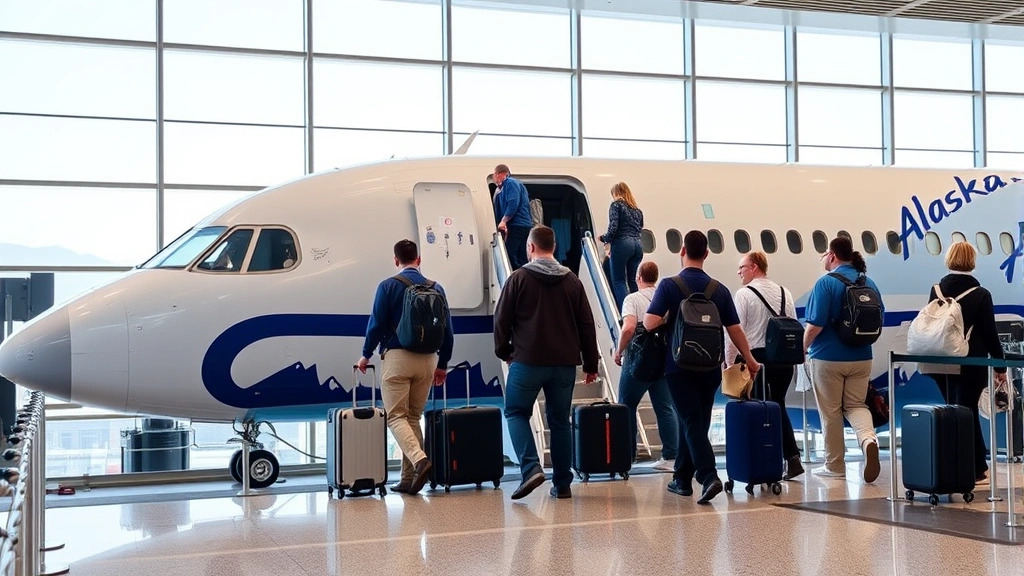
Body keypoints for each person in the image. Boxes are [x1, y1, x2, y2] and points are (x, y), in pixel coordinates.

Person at [643, 230, 761, 504]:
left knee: (691, 421)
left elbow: (649, 322)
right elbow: (735, 330)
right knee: (696, 421)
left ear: (682, 251)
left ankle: (708, 477)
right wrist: (751, 360)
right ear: (706, 254)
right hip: (710, 366)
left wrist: (668, 316)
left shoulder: (670, 286)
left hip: (678, 366)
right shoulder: (718, 290)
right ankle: (681, 480)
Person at [494, 226, 600, 501]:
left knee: (516, 412)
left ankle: (530, 468)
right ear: (553, 247)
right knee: (560, 422)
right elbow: (587, 326)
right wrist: (590, 364)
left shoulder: (518, 279)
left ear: (530, 247)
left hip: (527, 361)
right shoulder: (572, 281)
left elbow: (501, 321)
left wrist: (504, 352)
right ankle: (562, 484)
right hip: (563, 364)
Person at [357, 239, 455, 496]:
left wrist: (365, 355)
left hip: (398, 358)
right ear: (419, 260)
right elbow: (448, 331)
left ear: (396, 260)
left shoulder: (388, 286)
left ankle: (419, 460)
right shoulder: (437, 288)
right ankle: (408, 479)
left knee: (396, 417)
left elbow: (376, 325)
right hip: (428, 360)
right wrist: (443, 364)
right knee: (413, 417)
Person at [922, 241, 1006, 485]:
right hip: (970, 362)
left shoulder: (936, 290)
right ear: (972, 261)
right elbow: (990, 334)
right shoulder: (980, 294)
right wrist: (1000, 366)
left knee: (953, 410)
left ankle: (958, 464)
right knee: (967, 412)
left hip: (939, 361)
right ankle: (977, 468)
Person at [802, 236, 883, 483]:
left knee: (831, 412)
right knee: (857, 405)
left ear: (832, 255)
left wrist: (802, 349)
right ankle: (868, 439)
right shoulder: (868, 282)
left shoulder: (825, 284)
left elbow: (815, 325)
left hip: (827, 358)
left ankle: (835, 465)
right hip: (862, 357)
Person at [725, 251, 804, 480]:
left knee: (757, 410)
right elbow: (791, 322)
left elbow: (734, 332)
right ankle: (791, 457)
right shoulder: (784, 292)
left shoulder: (744, 294)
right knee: (777, 405)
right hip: (784, 360)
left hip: (756, 359)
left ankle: (762, 461)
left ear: (755, 267)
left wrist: (729, 362)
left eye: (742, 267)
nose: (739, 272)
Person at [613, 261, 678, 473]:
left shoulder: (632, 299)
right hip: (663, 360)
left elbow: (629, 328)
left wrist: (619, 350)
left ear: (638, 277)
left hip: (638, 361)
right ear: (655, 277)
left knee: (626, 405)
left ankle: (627, 455)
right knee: (664, 407)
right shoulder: (665, 298)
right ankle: (671, 456)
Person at [599, 182, 644, 312]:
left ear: (616, 193)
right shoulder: (637, 210)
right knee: (632, 281)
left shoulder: (616, 205)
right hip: (637, 246)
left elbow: (613, 228)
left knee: (619, 281)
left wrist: (604, 238)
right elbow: (640, 227)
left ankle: (627, 313)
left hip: (623, 244)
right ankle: (638, 313)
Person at [492, 164, 533, 270]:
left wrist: (504, 221)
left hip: (517, 224)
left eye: (495, 175)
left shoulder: (510, 183)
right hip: (519, 225)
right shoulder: (502, 188)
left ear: (499, 174)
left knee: (510, 254)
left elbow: (513, 202)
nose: (494, 178)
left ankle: (517, 275)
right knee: (522, 255)